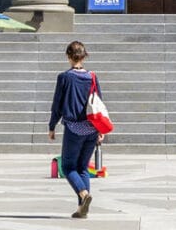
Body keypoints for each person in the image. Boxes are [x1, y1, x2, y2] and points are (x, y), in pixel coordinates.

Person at [48, 40, 101, 219]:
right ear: (84, 56)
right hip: (92, 128)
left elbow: (57, 104)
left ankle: (84, 195)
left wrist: (52, 126)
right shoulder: (92, 76)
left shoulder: (65, 77)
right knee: (83, 168)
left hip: (74, 128)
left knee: (68, 166)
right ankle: (81, 210)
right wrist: (100, 131)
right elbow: (99, 104)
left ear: (68, 56)